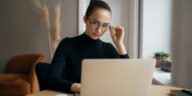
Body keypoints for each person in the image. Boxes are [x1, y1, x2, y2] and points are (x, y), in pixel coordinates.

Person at [47, 0, 129, 93]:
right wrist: (80, 88)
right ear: (85, 19)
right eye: (95, 23)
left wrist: (119, 44)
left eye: (104, 26)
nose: (99, 30)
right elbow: (51, 79)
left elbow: (127, 77)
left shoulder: (108, 49)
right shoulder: (67, 44)